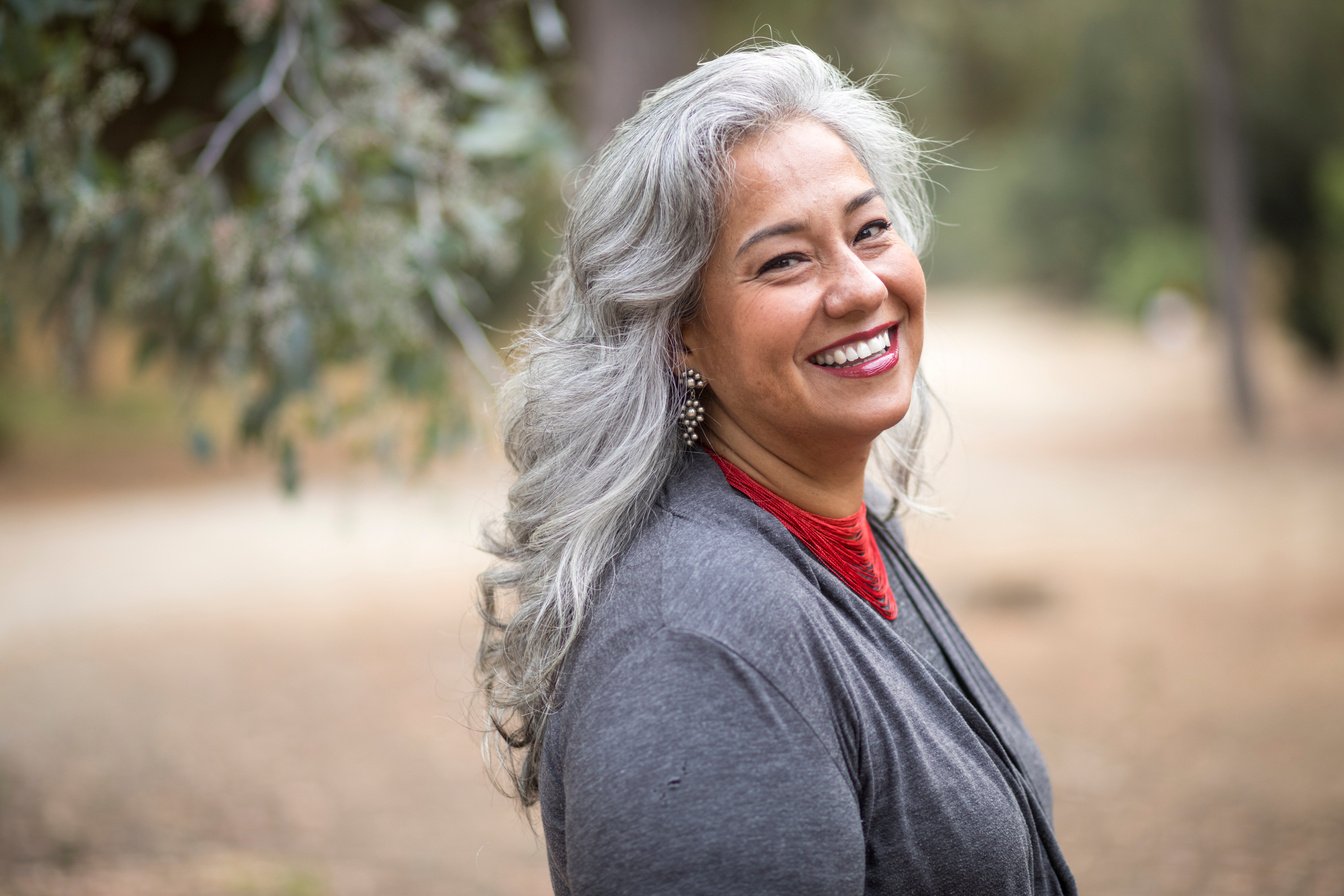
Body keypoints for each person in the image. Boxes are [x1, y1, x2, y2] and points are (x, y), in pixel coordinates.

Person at [476, 42, 1076, 895]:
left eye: (870, 230)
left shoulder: (848, 526)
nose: (861, 287)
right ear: (680, 333)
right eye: (786, 260)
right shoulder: (691, 648)